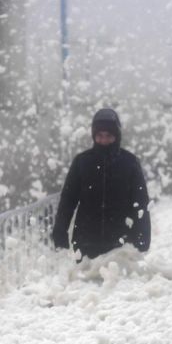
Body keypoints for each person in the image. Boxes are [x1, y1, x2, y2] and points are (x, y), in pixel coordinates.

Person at [52, 108, 151, 259]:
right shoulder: (82, 162)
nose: (104, 140)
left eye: (109, 136)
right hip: (85, 246)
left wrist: (143, 237)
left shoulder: (129, 162)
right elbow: (68, 201)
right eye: (99, 136)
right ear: (93, 135)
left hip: (122, 246)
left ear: (116, 136)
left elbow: (140, 202)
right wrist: (60, 234)